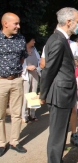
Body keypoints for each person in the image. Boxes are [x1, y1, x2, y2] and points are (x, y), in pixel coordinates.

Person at [40, 7, 78, 163]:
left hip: (63, 94)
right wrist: (43, 94)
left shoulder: (61, 38)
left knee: (60, 132)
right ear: (68, 21)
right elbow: (49, 70)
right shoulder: (57, 40)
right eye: (77, 21)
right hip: (60, 94)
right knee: (57, 135)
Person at [0, 12, 28, 156]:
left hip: (16, 80)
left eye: (18, 23)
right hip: (1, 82)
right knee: (0, 115)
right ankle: (1, 142)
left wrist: (15, 74)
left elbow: (22, 59)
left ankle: (14, 141)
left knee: (17, 113)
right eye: (15, 23)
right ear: (5, 23)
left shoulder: (21, 39)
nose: (18, 26)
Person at [21, 33, 41, 123]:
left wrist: (37, 68)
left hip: (35, 73)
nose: (34, 42)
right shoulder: (22, 49)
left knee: (33, 94)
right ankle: (24, 115)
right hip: (26, 74)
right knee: (25, 94)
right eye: (33, 40)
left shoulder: (34, 49)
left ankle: (32, 114)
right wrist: (26, 68)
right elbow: (19, 63)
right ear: (28, 40)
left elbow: (39, 60)